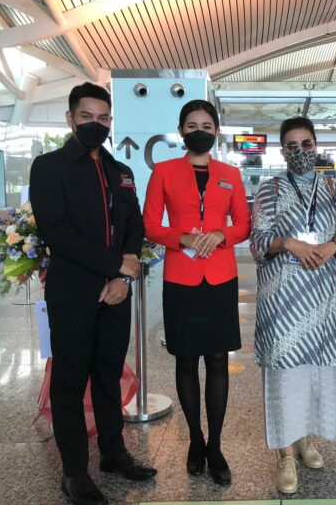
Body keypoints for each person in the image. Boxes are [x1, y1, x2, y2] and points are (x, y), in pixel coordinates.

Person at [30, 82, 156, 505]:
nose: (95, 125)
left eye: (103, 119)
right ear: (70, 119)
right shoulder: (49, 167)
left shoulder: (121, 171)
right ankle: (74, 473)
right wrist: (113, 266)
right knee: (70, 382)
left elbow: (134, 228)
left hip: (117, 294)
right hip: (73, 294)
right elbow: (56, 232)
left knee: (107, 375)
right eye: (87, 117)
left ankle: (113, 453)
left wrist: (124, 277)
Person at [143, 99, 250, 485]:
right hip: (181, 277)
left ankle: (216, 444)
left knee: (218, 360)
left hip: (220, 277)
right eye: (192, 125)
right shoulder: (165, 172)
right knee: (186, 360)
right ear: (181, 130)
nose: (199, 130)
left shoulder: (230, 174)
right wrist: (183, 236)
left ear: (216, 131)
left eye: (206, 125)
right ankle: (195, 439)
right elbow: (151, 225)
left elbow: (243, 224)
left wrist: (221, 234)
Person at [250, 117, 336, 494]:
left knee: (314, 375)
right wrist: (291, 243)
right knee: (283, 377)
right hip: (283, 302)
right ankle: (284, 454)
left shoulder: (332, 188)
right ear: (283, 151)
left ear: (316, 146)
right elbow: (258, 241)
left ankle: (305, 439)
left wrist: (332, 246)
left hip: (322, 301)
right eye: (292, 146)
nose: (300, 152)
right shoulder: (269, 189)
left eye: (306, 144)